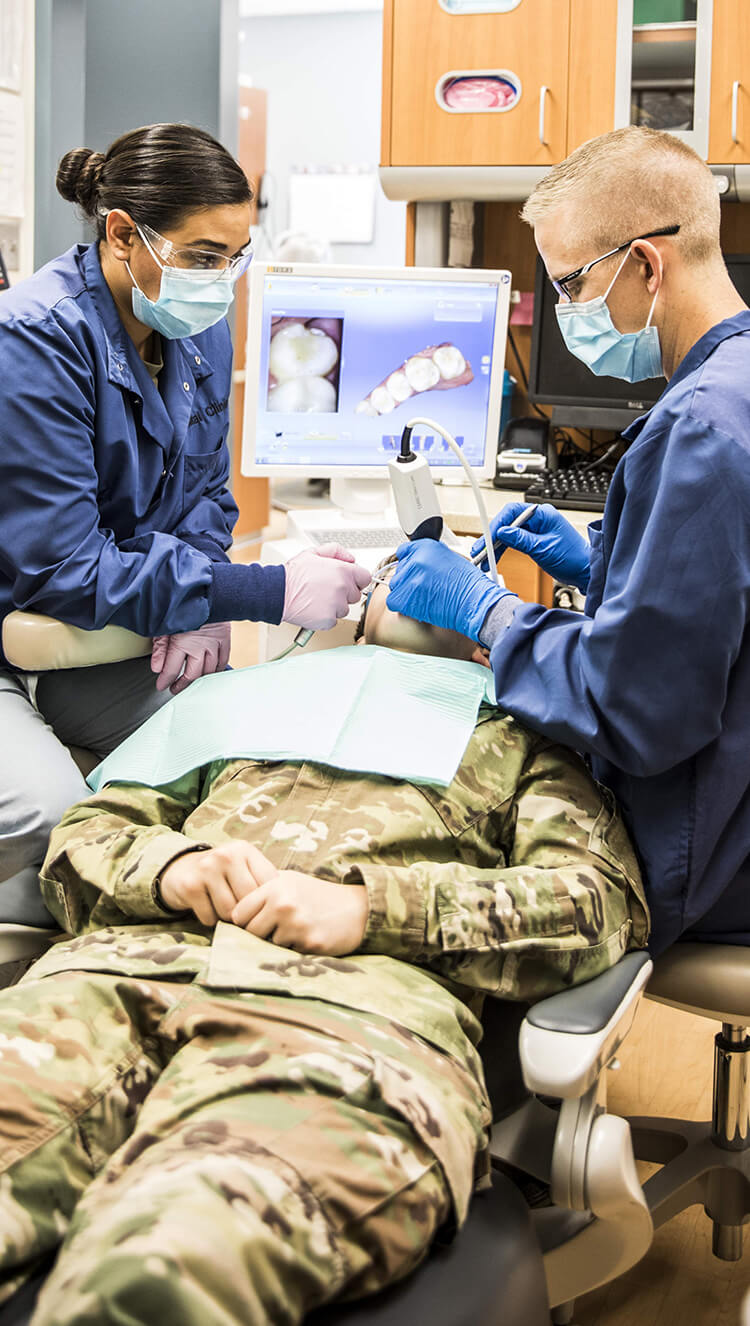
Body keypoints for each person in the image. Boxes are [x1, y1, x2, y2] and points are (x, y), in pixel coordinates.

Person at [0, 574, 648, 1324]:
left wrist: (373, 908)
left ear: (485, 629)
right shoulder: (241, 704)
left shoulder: (522, 738)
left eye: (450, 571)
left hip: (349, 1022)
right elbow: (86, 834)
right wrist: (171, 866)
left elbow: (595, 903)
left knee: (168, 1265)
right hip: (107, 980)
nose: (416, 572)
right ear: (359, 620)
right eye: (394, 572)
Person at [386, 125, 750, 956]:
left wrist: (489, 613)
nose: (564, 313)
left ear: (647, 265)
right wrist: (607, 569)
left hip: (708, 847)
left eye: (571, 285)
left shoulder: (698, 429)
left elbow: (639, 713)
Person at [0, 122, 369, 922]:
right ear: (124, 233)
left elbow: (205, 492)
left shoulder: (192, 321)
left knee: (241, 771)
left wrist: (192, 601)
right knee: (62, 819)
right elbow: (64, 570)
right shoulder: (33, 340)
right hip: (19, 634)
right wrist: (256, 592)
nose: (223, 280)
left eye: (236, 257)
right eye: (204, 257)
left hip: (99, 638)